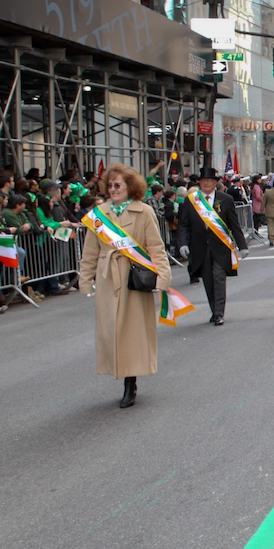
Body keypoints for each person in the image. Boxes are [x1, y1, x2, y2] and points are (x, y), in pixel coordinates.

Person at [78, 164, 172, 408]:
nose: (113, 189)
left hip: (134, 279)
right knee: (111, 332)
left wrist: (163, 276)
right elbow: (90, 251)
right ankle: (121, 373)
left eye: (117, 185)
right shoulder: (99, 215)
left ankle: (130, 383)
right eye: (110, 185)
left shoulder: (143, 212)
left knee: (132, 334)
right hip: (108, 279)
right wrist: (85, 279)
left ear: (130, 187)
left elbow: (155, 247)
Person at [177, 166, 248, 326]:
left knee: (219, 278)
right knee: (208, 280)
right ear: (199, 183)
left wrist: (242, 245)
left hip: (221, 246)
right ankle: (213, 309)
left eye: (209, 181)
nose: (206, 183)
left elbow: (234, 224)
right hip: (200, 247)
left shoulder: (225, 199)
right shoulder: (192, 200)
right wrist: (183, 244)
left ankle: (219, 313)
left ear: (215, 183)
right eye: (203, 181)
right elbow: (184, 225)